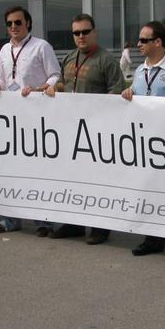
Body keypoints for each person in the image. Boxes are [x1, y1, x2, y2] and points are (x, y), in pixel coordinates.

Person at [45, 13, 126, 245]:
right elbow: (65, 84)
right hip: (71, 130)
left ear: (94, 32)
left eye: (85, 32)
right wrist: (55, 88)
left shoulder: (106, 60)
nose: (81, 36)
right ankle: (75, 223)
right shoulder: (70, 58)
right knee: (73, 178)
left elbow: (117, 94)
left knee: (99, 181)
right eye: (76, 33)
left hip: (98, 132)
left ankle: (101, 227)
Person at [0, 5, 61, 236]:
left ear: (27, 23)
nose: (13, 27)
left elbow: (55, 75)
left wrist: (43, 87)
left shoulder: (41, 46)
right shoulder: (4, 49)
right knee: (11, 170)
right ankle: (11, 219)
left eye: (18, 22)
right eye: (9, 23)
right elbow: (0, 77)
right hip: (10, 119)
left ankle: (43, 221)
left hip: (37, 118)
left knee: (38, 170)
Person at [121, 21, 165, 257]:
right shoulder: (140, 72)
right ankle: (153, 238)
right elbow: (138, 98)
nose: (138, 44)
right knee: (150, 190)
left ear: (158, 42)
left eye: (144, 40)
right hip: (147, 143)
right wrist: (129, 93)